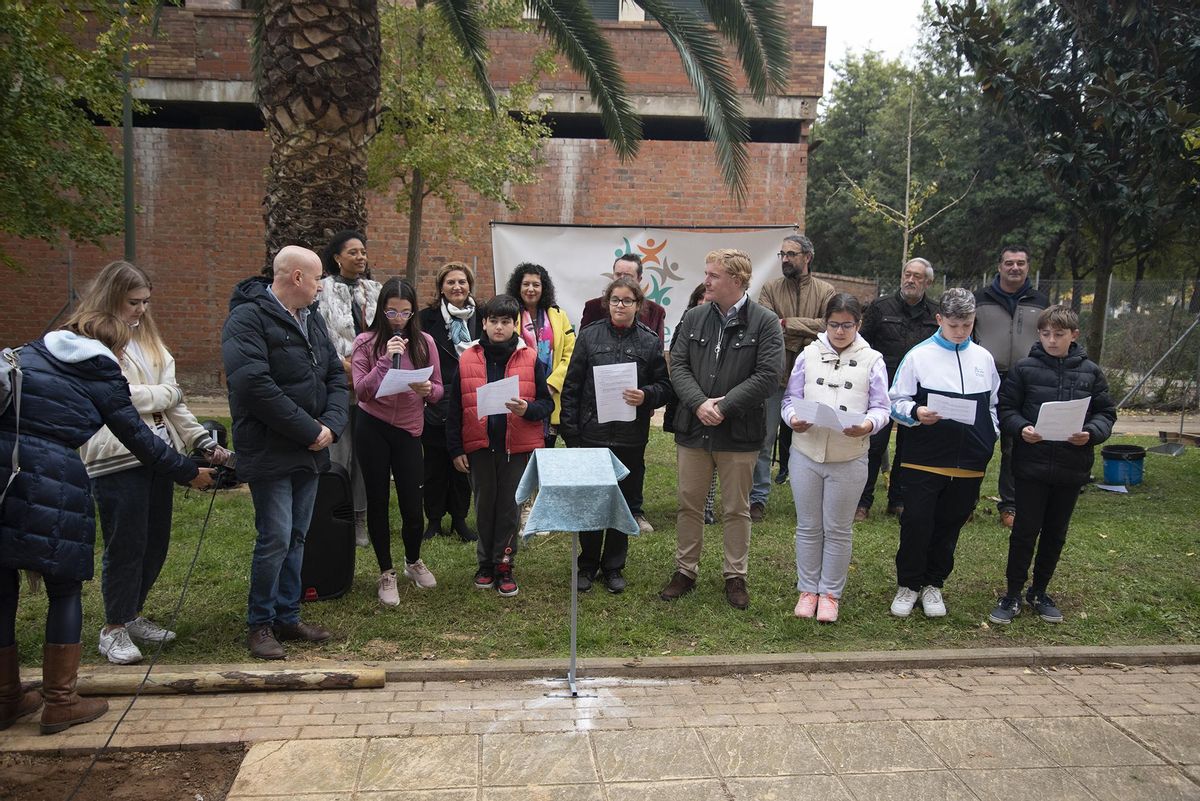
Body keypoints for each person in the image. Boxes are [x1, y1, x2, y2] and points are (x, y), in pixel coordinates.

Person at [1, 312, 213, 735]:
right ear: (113, 348)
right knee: (64, 588)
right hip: (52, 478)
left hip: (3, 473)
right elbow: (138, 437)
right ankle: (61, 702)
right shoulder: (101, 371)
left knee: (2, 586)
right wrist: (190, 473)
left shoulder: (30, 353)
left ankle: (6, 698)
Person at [78, 262, 232, 666]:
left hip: (159, 453)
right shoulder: (89, 337)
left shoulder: (149, 338)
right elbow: (117, 397)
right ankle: (112, 629)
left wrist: (200, 440)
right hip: (114, 457)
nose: (141, 310)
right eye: (133, 302)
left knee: (155, 543)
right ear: (111, 297)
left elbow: (174, 401)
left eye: (146, 302)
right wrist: (164, 393)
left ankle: (131, 614)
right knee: (125, 544)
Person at [222, 245, 349, 660]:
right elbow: (254, 385)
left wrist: (330, 426)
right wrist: (308, 429)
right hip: (271, 450)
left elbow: (334, 375)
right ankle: (260, 623)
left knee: (297, 536)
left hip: (310, 449)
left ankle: (287, 616)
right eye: (316, 279)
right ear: (296, 278)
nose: (320, 288)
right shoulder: (247, 318)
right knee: (275, 537)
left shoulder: (311, 318)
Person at [660, 249, 783, 610]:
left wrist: (724, 406)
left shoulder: (765, 322)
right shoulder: (694, 316)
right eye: (707, 273)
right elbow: (678, 364)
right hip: (695, 429)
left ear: (737, 280)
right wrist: (699, 403)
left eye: (714, 275)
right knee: (689, 503)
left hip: (739, 432)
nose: (707, 280)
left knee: (736, 508)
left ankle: (735, 576)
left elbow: (768, 376)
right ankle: (685, 570)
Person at [989, 306, 1116, 625]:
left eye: (1059, 334)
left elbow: (1106, 413)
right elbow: (1006, 408)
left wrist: (1091, 434)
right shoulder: (1024, 369)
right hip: (1031, 466)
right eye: (1045, 334)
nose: (1051, 340)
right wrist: (1021, 429)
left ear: (1074, 335)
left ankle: (1039, 591)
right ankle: (1013, 593)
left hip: (1071, 467)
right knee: (1024, 532)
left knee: (1056, 533)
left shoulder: (1091, 372)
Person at [887, 288, 999, 619]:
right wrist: (917, 412)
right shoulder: (918, 356)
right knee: (918, 522)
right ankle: (908, 584)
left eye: (966, 325)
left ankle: (934, 583)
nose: (960, 332)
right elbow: (895, 401)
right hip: (924, 457)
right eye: (954, 326)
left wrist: (988, 436)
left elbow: (993, 404)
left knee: (950, 523)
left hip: (969, 460)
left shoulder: (983, 358)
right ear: (940, 320)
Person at [560, 277, 673, 594]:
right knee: (593, 502)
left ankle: (613, 566)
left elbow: (665, 388)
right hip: (591, 434)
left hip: (630, 437)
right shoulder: (589, 336)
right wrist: (572, 434)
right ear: (606, 303)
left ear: (639, 305)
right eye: (615, 300)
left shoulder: (649, 342)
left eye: (627, 301)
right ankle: (587, 564)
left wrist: (646, 395)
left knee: (621, 502)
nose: (620, 306)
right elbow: (571, 388)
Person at [781, 294, 890, 623]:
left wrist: (869, 424)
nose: (840, 331)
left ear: (858, 324)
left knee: (838, 529)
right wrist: (791, 419)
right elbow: (790, 397)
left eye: (847, 325)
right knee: (809, 526)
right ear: (824, 323)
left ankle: (830, 593)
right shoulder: (808, 355)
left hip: (849, 455)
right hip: (806, 452)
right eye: (833, 324)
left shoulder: (873, 360)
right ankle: (807, 589)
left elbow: (882, 408)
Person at [447, 295, 554, 598]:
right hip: (480, 447)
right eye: (493, 320)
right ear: (483, 323)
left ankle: (504, 563)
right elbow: (455, 407)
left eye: (506, 321)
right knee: (483, 506)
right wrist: (456, 448)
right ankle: (485, 564)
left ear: (514, 324)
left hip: (516, 448)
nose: (499, 327)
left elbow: (546, 403)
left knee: (509, 507)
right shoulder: (468, 357)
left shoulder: (531, 358)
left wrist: (527, 410)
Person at [352, 279, 444, 606]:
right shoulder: (365, 342)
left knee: (411, 501)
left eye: (406, 312)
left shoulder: (425, 342)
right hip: (372, 426)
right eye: (392, 310)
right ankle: (385, 571)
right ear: (381, 309)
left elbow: (438, 388)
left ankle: (413, 561)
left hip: (408, 429)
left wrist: (427, 392)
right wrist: (384, 360)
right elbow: (361, 390)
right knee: (377, 499)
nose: (398, 318)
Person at [752, 235, 836, 523]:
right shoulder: (770, 288)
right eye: (782, 254)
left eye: (791, 254)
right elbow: (765, 325)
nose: (785, 259)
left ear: (807, 257)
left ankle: (812, 501)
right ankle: (757, 499)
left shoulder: (826, 291)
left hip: (814, 379)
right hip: (774, 376)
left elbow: (828, 326)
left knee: (813, 439)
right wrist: (805, 329)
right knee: (763, 438)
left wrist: (787, 323)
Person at [855, 257, 940, 521]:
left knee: (909, 445)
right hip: (882, 386)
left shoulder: (936, 313)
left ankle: (898, 500)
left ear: (927, 282)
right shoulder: (881, 307)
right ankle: (862, 501)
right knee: (874, 444)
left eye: (917, 276)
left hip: (918, 390)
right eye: (907, 274)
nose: (910, 280)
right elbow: (862, 344)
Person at [973, 244, 1049, 528]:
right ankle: (966, 502)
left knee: (1015, 445)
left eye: (1020, 263)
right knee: (977, 441)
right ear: (999, 266)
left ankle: (1011, 506)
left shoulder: (1041, 301)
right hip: (985, 378)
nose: (1014, 268)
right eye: (1009, 263)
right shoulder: (979, 299)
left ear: (1028, 266)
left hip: (1025, 380)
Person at [317, 231, 380, 545]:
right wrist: (349, 369)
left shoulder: (376, 291)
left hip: (372, 386)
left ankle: (359, 518)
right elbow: (321, 340)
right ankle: (335, 513)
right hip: (339, 384)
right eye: (353, 252)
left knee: (365, 454)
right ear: (337, 257)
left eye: (363, 252)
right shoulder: (322, 291)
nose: (360, 257)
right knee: (340, 453)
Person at [418, 262, 480, 543]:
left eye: (462, 282)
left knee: (462, 462)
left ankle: (459, 518)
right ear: (441, 288)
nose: (457, 287)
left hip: (471, 399)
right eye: (451, 282)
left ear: (470, 286)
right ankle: (432, 519)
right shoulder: (425, 318)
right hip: (435, 399)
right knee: (433, 463)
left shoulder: (483, 316)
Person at [664, 282, 719, 525]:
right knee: (690, 458)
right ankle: (690, 505)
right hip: (688, 401)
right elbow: (676, 360)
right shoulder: (686, 324)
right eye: (701, 300)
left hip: (716, 400)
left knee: (714, 456)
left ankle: (707, 506)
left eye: (710, 300)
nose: (705, 304)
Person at [505, 263, 575, 448]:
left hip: (552, 391)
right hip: (520, 391)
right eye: (526, 284)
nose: (531, 289)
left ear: (544, 288)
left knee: (546, 452)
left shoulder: (559, 316)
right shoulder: (509, 315)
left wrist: (553, 383)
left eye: (536, 284)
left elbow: (570, 354)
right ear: (517, 287)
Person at [578, 253, 667, 344]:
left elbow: (657, 351)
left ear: (639, 279)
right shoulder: (593, 307)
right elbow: (582, 345)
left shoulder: (656, 312)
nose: (622, 279)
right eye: (618, 274)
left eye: (628, 276)